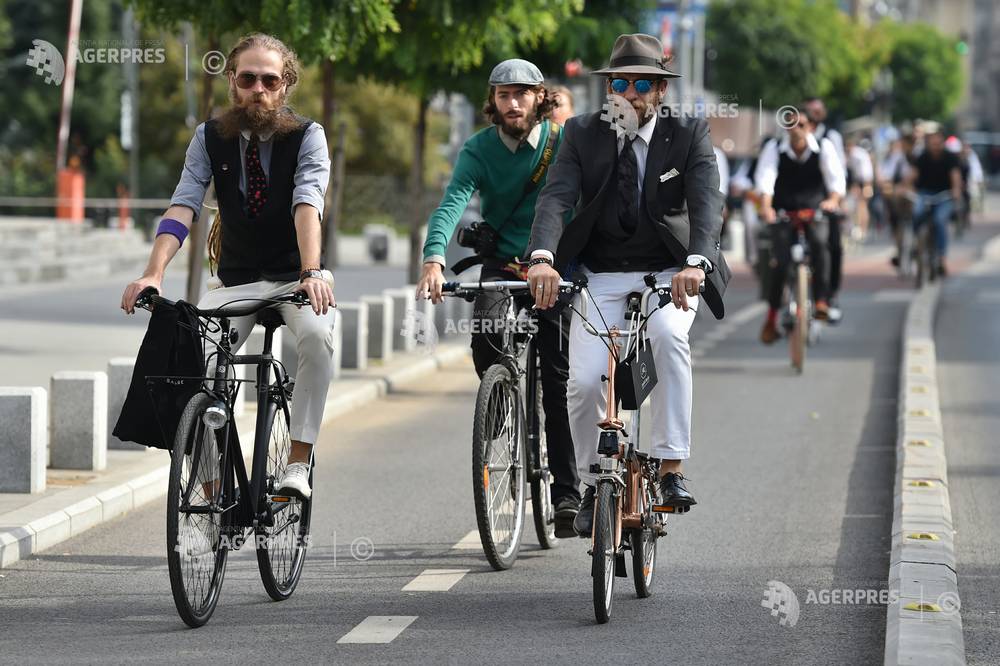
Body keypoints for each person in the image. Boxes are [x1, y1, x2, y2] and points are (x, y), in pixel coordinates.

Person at [525, 33, 730, 536]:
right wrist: (543, 258)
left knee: (668, 338)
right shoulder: (581, 132)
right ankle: (594, 482)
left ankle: (671, 466)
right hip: (599, 275)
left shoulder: (688, 133)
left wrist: (697, 263)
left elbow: (707, 203)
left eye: (642, 84)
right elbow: (556, 198)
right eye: (620, 83)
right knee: (581, 382)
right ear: (609, 88)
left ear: (660, 89)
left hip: (670, 274)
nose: (630, 94)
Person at [120, 33, 335, 500]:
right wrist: (153, 272)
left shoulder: (308, 136)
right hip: (236, 280)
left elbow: (307, 202)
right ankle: (215, 486)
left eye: (269, 80)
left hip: (297, 280)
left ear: (285, 84)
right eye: (248, 78)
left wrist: (311, 271)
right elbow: (184, 205)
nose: (258, 89)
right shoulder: (209, 137)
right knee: (191, 359)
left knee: (318, 338)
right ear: (232, 81)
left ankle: (298, 461)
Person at [414, 59, 581, 537]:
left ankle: (567, 494)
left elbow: (584, 199)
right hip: (504, 265)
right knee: (485, 339)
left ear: (539, 98)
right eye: (504, 95)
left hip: (554, 270)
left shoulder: (562, 142)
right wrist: (433, 259)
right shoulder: (478, 149)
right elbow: (451, 203)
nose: (513, 103)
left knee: (557, 378)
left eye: (522, 94)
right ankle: (501, 404)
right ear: (493, 101)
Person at [754, 109, 845, 344]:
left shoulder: (823, 147)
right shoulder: (774, 148)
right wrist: (766, 207)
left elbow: (836, 179)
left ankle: (822, 301)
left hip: (814, 211)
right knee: (781, 263)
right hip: (784, 212)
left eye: (802, 124)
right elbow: (766, 178)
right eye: (791, 124)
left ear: (811, 127)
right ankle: (772, 316)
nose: (796, 129)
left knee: (820, 246)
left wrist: (833, 200)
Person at [803, 97, 846, 320]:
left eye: (817, 111)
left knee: (833, 245)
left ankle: (830, 295)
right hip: (790, 203)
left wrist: (835, 199)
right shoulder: (781, 142)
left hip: (823, 200)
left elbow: (838, 172)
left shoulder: (830, 139)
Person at [908, 130, 963, 275]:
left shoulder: (950, 158)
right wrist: (905, 186)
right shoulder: (922, 157)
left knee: (940, 220)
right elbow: (912, 175)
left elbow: (955, 176)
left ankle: (941, 258)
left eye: (938, 143)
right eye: (933, 143)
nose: (936, 146)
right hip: (925, 193)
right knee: (917, 213)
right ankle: (916, 243)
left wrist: (956, 190)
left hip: (944, 195)